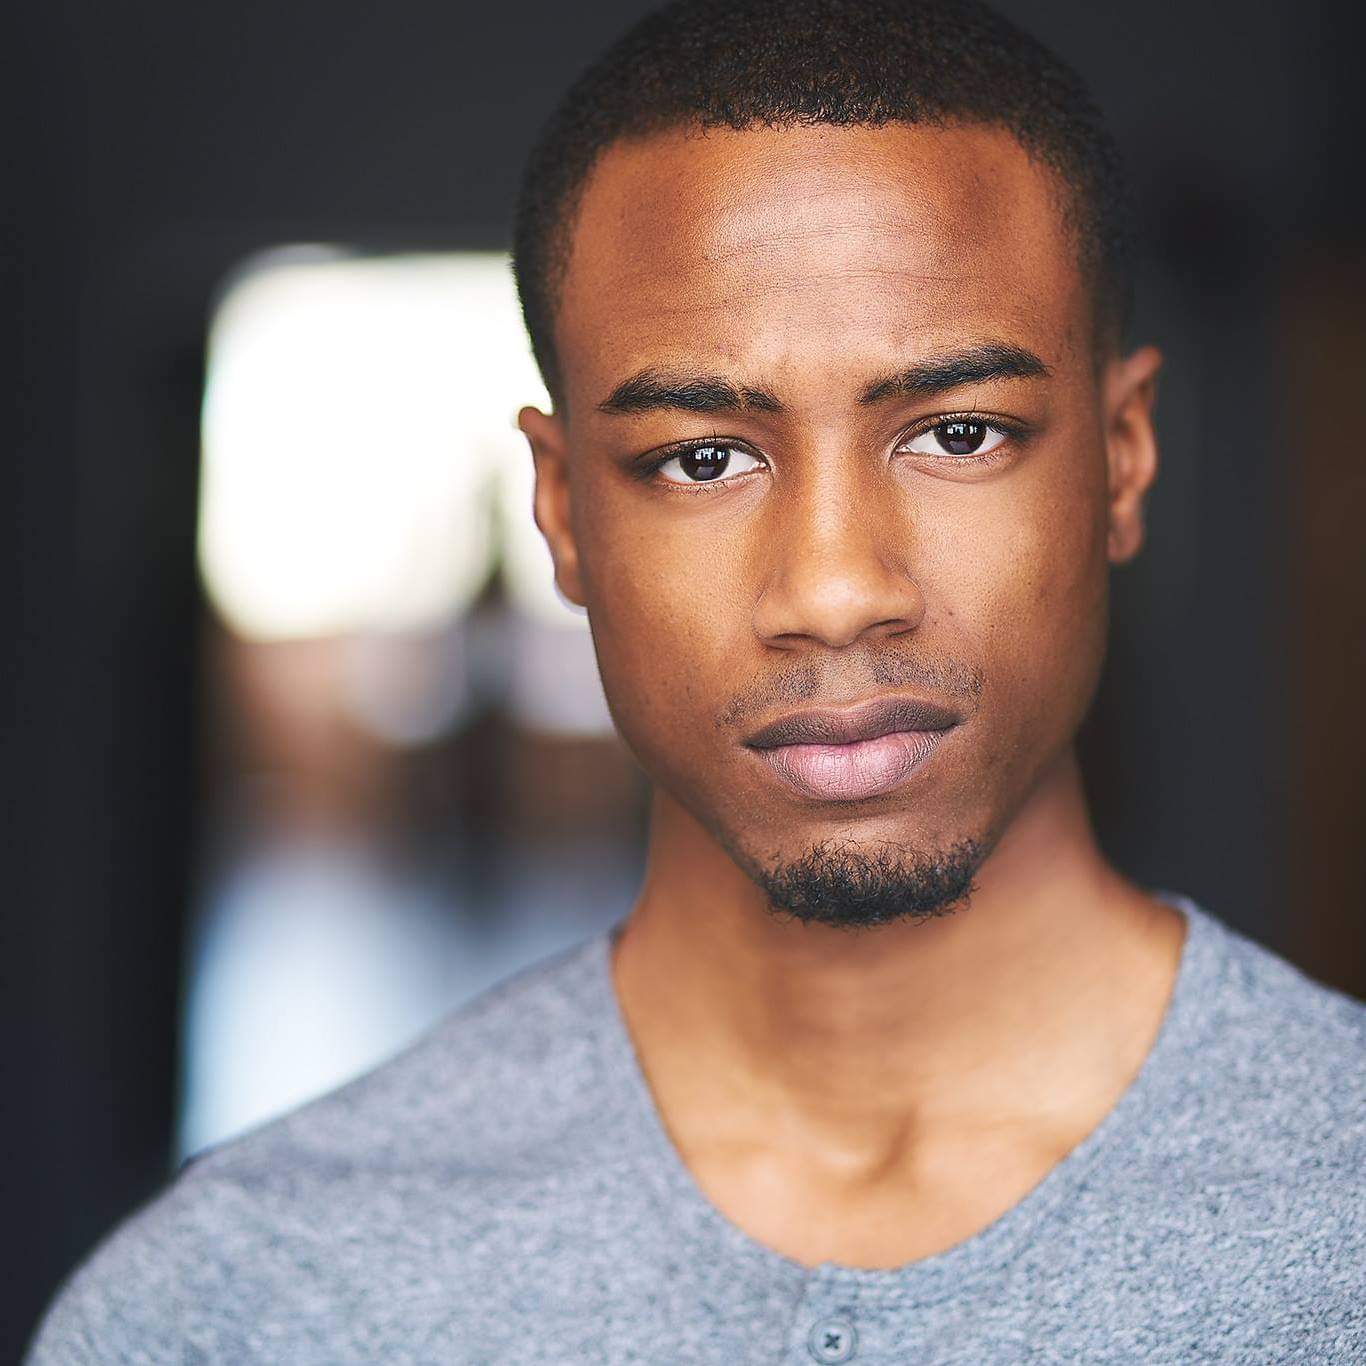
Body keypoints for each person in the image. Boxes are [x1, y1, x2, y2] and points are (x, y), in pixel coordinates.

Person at [28, 0, 1366, 1360]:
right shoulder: (241, 1301)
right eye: (701, 457)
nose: (836, 587)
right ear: (559, 515)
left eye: (958, 432)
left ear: (1121, 457)